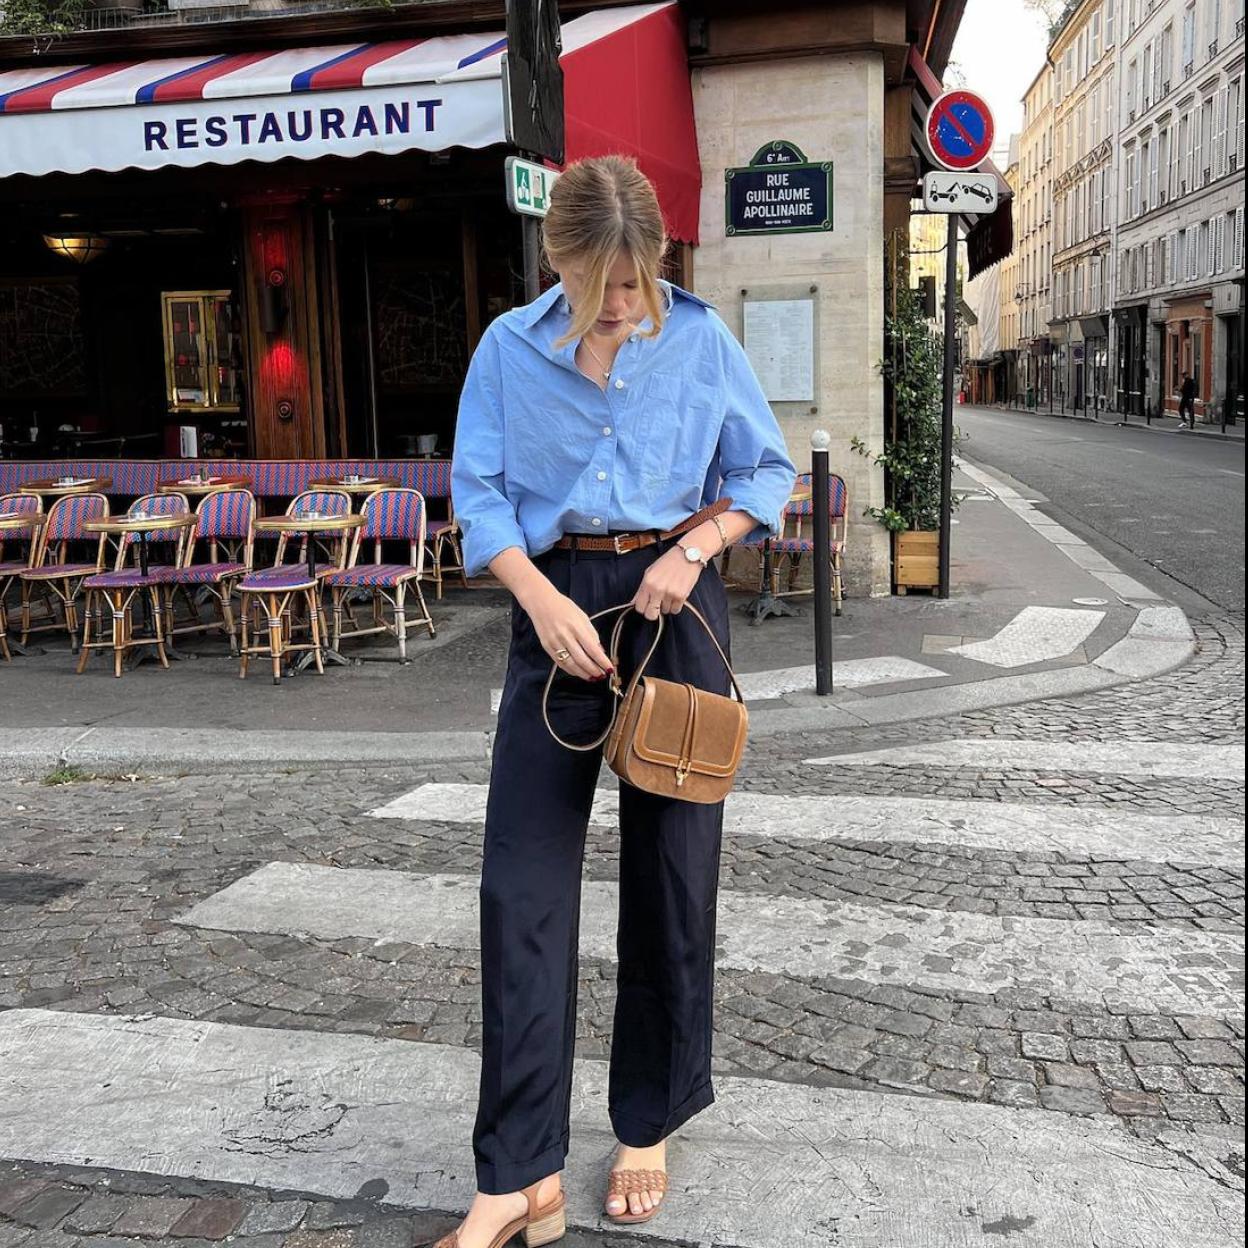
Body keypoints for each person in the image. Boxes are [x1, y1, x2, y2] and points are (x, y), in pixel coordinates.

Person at [440, 154, 795, 1248]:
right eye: (608, 287)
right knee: (520, 888)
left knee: (673, 881)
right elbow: (481, 495)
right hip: (556, 612)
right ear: (563, 265)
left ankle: (647, 1123)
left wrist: (695, 550)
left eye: (641, 281)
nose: (628, 306)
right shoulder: (509, 349)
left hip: (673, 609)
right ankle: (517, 1176)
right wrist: (538, 596)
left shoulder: (700, 339)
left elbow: (765, 474)